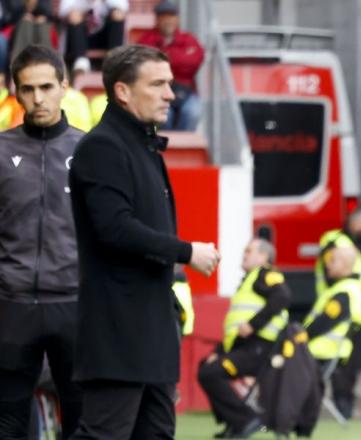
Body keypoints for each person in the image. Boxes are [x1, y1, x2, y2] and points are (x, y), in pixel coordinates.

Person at [68, 44, 220, 439]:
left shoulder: (142, 144)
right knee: (105, 434)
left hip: (152, 332)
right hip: (118, 335)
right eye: (158, 84)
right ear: (122, 91)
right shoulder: (103, 147)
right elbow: (115, 229)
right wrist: (187, 252)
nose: (171, 93)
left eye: (170, 83)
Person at [0, 44, 83, 439]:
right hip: (12, 306)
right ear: (15, 91)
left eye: (46, 87)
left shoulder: (90, 151)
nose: (38, 98)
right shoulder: (0, 151)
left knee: (82, 421)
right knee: (7, 423)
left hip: (75, 305)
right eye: (28, 89)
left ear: (63, 86)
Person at [198, 238, 291, 439]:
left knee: (211, 373)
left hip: (261, 349)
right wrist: (218, 353)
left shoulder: (266, 274)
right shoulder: (249, 279)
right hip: (245, 347)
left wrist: (253, 324)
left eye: (249, 251)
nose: (245, 254)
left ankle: (246, 419)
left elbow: (282, 296)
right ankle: (235, 423)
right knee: (205, 367)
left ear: (264, 257)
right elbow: (235, 330)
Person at [314, 204, 361, 419]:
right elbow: (332, 274)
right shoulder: (334, 241)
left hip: (359, 314)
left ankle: (346, 403)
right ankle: (338, 403)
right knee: (337, 363)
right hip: (335, 311)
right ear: (355, 222)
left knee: (352, 363)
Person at [138, 0, 204, 131]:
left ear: (177, 18)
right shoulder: (146, 39)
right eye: (164, 16)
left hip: (186, 91)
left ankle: (184, 147)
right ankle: (168, 148)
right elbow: (145, 67)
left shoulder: (189, 38)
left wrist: (164, 55)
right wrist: (180, 58)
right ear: (157, 19)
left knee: (193, 111)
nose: (168, 20)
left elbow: (194, 62)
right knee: (164, 115)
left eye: (172, 16)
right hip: (157, 91)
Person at [58, 0, 127, 72]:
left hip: (104, 37)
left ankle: (114, 59)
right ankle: (81, 60)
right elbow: (63, 11)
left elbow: (123, 7)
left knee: (117, 14)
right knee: (74, 15)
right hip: (79, 37)